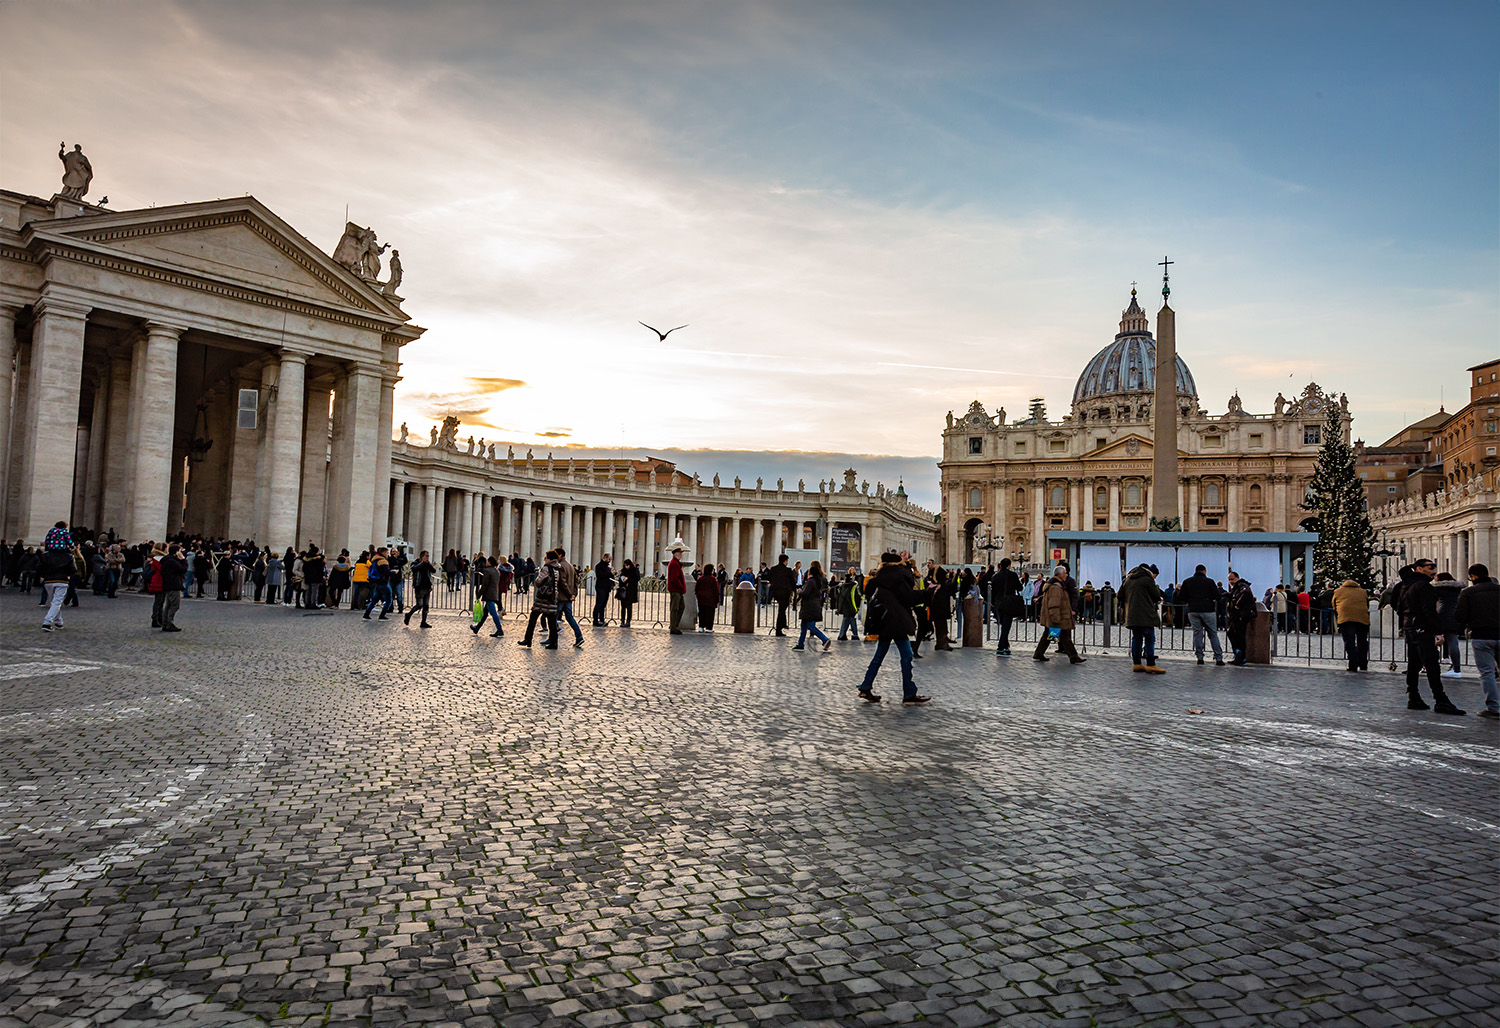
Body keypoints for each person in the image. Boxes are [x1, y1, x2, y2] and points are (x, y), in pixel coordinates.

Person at [856, 551, 931, 705]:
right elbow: (908, 598)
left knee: (879, 656)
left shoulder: (879, 578)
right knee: (906, 655)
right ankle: (909, 693)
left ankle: (865, 686)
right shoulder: (898, 578)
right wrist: (928, 593)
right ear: (898, 564)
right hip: (896, 621)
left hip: (883, 622)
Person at [1396, 559, 1464, 715]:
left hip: (1410, 627)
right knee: (1432, 665)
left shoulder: (1405, 585)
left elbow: (1398, 607)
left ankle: (1413, 697)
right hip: (1423, 629)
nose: (1434, 570)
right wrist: (1438, 632)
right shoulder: (1424, 586)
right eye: (1430, 567)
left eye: (1435, 567)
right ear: (1419, 569)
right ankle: (1441, 700)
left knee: (1414, 665)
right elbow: (1429, 611)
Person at [1455, 564, 1498, 719]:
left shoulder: (1468, 592)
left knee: (1487, 673)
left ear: (1473, 576)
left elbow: (1460, 616)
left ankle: (1494, 707)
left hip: (1482, 636)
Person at [1119, 563, 1165, 674]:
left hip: (1132, 615)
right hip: (1146, 614)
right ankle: (1150, 664)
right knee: (1149, 638)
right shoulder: (1147, 579)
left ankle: (1137, 663)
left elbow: (1119, 595)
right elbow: (1155, 596)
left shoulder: (1128, 579)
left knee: (1136, 638)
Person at [1034, 565, 1085, 663]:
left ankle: (1039, 653)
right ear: (1060, 574)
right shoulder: (1056, 587)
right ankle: (1073, 657)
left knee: (1053, 635)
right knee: (1063, 636)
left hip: (1059, 616)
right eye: (1065, 573)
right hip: (1058, 616)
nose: (1066, 575)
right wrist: (1055, 618)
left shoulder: (1057, 584)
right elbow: (1054, 604)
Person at [1176, 564, 1225, 666]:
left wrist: (1189, 600)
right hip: (1208, 610)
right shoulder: (1209, 582)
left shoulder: (1187, 581)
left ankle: (1200, 657)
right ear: (1204, 571)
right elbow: (1217, 596)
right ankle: (1218, 658)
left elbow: (1180, 596)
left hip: (1193, 610)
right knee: (1212, 634)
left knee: (1197, 633)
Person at [519, 550, 560, 648]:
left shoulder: (546, 568)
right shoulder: (557, 568)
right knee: (552, 622)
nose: (544, 559)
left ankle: (528, 639)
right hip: (553, 597)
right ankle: (554, 643)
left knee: (533, 619)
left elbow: (538, 581)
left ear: (549, 558)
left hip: (543, 597)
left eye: (546, 557)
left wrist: (537, 581)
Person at [38, 523, 75, 632]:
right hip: (62, 580)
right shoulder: (67, 556)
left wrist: (42, 575)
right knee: (57, 602)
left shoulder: (45, 555)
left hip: (48, 580)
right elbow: (72, 569)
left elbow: (40, 567)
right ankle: (47, 622)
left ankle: (59, 622)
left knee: (53, 602)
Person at [1332, 578, 1371, 673]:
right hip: (1362, 619)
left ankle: (1353, 664)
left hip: (1346, 618)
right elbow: (1367, 604)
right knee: (1362, 641)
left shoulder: (1338, 591)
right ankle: (1363, 664)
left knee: (1350, 641)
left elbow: (1334, 604)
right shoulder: (1363, 591)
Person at [1433, 572, 1465, 678]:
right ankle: (1457, 668)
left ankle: (1429, 665)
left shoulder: (1437, 589)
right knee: (1453, 642)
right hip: (1455, 615)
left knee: (1433, 640)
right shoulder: (1457, 589)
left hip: (1441, 614)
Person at [793, 561, 831, 650]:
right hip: (813, 606)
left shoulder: (811, 581)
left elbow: (806, 593)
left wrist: (800, 592)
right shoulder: (817, 581)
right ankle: (800, 644)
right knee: (803, 626)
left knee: (810, 626)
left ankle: (824, 639)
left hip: (809, 607)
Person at [553, 547, 584, 647]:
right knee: (569, 618)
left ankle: (551, 639)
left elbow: (562, 582)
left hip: (562, 597)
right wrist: (574, 594)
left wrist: (570, 594)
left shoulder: (560, 566)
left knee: (552, 617)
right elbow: (576, 582)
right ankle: (579, 636)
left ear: (560, 555)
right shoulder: (570, 566)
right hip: (568, 597)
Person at [991, 558, 1023, 656]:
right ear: (1009, 566)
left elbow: (994, 591)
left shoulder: (995, 576)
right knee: (1006, 626)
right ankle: (1001, 647)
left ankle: (1005, 646)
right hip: (1009, 602)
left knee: (1003, 625)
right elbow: (1019, 588)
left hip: (999, 602)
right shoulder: (1012, 575)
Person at [1225, 572, 1256, 665]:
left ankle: (1241, 656)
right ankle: (1238, 654)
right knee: (1233, 633)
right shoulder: (1237, 587)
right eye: (1229, 579)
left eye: (1232, 579)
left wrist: (1238, 604)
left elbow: (1245, 594)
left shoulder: (1242, 585)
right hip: (1237, 615)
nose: (1231, 581)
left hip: (1241, 615)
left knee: (1239, 635)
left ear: (1237, 578)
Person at [471, 555, 505, 637]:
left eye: (487, 561)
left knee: (493, 613)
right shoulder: (497, 571)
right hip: (494, 593)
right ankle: (477, 628)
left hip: (489, 595)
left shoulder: (487, 571)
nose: (486, 562)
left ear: (489, 562)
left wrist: (479, 594)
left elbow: (485, 585)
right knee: (485, 613)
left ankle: (499, 629)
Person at [158, 544, 187, 632]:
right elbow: (183, 569)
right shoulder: (172, 561)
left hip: (168, 584)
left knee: (168, 605)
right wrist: (183, 560)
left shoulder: (168, 560)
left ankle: (165, 623)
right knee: (174, 605)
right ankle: (169, 623)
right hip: (173, 585)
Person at [765, 555, 796, 636]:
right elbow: (792, 581)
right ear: (785, 561)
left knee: (782, 609)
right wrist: (794, 590)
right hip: (785, 592)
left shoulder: (773, 569)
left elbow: (769, 578)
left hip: (776, 592)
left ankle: (783, 624)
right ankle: (779, 629)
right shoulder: (788, 570)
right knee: (782, 610)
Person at [404, 550, 435, 628]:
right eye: (426, 556)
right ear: (422, 556)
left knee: (426, 605)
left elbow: (433, 570)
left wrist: (428, 564)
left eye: (428, 556)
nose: (427, 558)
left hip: (427, 586)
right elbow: (414, 569)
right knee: (419, 604)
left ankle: (423, 622)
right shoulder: (416, 563)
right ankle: (408, 614)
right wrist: (423, 563)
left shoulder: (428, 564)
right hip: (419, 586)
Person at [362, 547, 394, 620]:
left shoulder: (375, 560)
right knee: (389, 600)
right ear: (383, 553)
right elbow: (386, 572)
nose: (387, 554)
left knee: (374, 600)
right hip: (383, 582)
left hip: (377, 582)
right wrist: (393, 572)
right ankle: (382, 615)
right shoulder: (383, 561)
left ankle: (366, 614)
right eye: (386, 552)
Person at [929, 567, 956, 652]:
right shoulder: (942, 585)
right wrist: (955, 576)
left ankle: (941, 643)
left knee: (940, 626)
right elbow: (953, 588)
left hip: (937, 610)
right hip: (941, 610)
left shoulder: (935, 585)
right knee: (941, 627)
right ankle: (942, 643)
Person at [835, 568, 862, 641]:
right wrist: (857, 607)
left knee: (847, 618)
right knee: (851, 619)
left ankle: (843, 635)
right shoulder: (854, 586)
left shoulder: (842, 586)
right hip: (852, 606)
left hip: (844, 606)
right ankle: (852, 635)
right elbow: (857, 597)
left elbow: (838, 597)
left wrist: (838, 608)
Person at [666, 546, 687, 636]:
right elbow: (675, 579)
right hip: (676, 590)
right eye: (680, 553)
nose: (681, 555)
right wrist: (681, 586)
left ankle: (674, 625)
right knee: (675, 608)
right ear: (675, 554)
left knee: (681, 607)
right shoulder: (674, 564)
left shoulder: (676, 563)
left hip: (677, 589)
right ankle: (673, 627)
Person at [695, 562, 721, 631]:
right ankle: (709, 628)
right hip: (710, 599)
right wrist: (717, 600)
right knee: (710, 613)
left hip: (701, 598)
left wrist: (698, 595)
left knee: (702, 612)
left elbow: (696, 588)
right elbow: (716, 590)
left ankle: (701, 626)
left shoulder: (700, 578)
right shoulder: (713, 579)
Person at [616, 558, 640, 627]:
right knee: (623, 607)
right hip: (623, 591)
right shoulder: (623, 571)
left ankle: (628, 621)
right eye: (625, 565)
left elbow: (636, 579)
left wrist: (628, 579)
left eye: (627, 565)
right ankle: (622, 620)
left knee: (629, 607)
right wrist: (622, 578)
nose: (626, 567)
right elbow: (620, 580)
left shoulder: (634, 571)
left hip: (631, 591)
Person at [592, 554, 615, 626]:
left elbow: (609, 575)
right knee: (599, 604)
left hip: (606, 588)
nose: (609, 561)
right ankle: (595, 620)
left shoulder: (607, 567)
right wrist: (609, 573)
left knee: (603, 605)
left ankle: (601, 619)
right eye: (609, 559)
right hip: (601, 587)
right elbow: (600, 575)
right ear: (605, 558)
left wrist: (612, 574)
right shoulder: (599, 566)